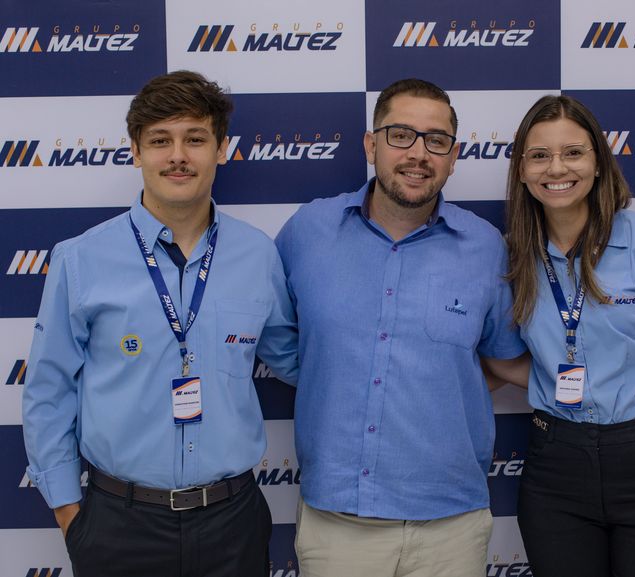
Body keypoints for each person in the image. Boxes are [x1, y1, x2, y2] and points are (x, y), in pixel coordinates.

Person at [22, 70, 297, 577]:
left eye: (195, 139)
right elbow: (48, 388)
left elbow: (294, 359)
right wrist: (68, 513)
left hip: (233, 522)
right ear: (135, 151)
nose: (177, 156)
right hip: (118, 524)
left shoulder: (258, 254)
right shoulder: (80, 259)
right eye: (160, 140)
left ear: (221, 149)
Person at [273, 78, 528, 577]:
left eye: (436, 141)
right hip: (338, 523)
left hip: (451, 526)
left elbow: (503, 361)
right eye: (401, 135)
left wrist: (623, 380)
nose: (418, 153)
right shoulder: (308, 231)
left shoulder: (486, 248)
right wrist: (336, 376)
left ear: (453, 157)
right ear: (371, 145)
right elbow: (275, 334)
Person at [501, 95, 635, 577]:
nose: (556, 168)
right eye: (539, 155)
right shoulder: (511, 254)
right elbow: (495, 357)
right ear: (521, 170)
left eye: (573, 153)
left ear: (598, 162)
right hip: (555, 466)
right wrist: (552, 378)